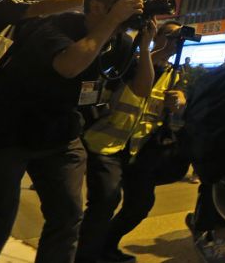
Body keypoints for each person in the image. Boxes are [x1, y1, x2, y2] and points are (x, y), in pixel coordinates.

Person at [0, 0, 146, 263]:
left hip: (61, 134)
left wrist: (146, 40)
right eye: (122, 4)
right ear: (97, 7)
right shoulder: (56, 25)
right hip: (7, 131)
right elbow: (69, 66)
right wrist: (112, 16)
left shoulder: (118, 40)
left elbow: (140, 87)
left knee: (67, 217)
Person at [75, 21, 189, 263]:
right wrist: (150, 51)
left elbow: (180, 99)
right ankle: (84, 256)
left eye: (179, 37)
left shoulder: (175, 72)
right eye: (169, 35)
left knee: (139, 205)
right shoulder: (130, 60)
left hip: (141, 149)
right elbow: (136, 85)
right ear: (155, 36)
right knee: (106, 199)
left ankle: (105, 246)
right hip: (106, 142)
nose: (174, 41)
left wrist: (179, 100)